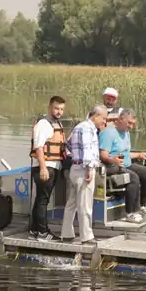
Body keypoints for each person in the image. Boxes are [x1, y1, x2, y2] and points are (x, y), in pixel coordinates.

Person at [98, 108, 146, 223]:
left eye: (133, 124)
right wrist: (114, 161)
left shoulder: (126, 133)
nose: (131, 127)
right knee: (133, 177)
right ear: (121, 119)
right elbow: (102, 155)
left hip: (125, 164)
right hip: (111, 166)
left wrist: (139, 155)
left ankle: (145, 206)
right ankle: (130, 213)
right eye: (129, 123)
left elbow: (125, 153)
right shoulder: (108, 133)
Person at [61, 104, 107, 244]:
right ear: (96, 115)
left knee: (71, 204)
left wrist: (75, 157)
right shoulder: (88, 129)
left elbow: (68, 145)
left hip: (75, 168)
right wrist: (89, 168)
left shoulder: (79, 126)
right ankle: (86, 237)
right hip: (84, 169)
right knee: (85, 205)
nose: (104, 122)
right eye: (103, 118)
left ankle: (67, 234)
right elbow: (87, 150)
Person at [29, 95, 67, 240]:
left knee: (41, 199)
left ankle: (34, 229)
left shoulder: (57, 124)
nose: (59, 112)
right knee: (43, 200)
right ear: (50, 107)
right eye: (56, 108)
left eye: (61, 109)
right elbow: (38, 147)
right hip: (45, 167)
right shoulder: (44, 124)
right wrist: (43, 168)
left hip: (53, 166)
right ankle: (43, 232)